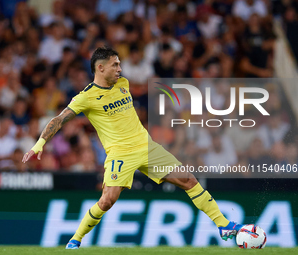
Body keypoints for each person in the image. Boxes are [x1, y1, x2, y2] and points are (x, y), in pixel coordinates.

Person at [22, 47, 242, 249]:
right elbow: (59, 119)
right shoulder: (86, 97)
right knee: (107, 200)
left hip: (147, 147)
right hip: (120, 154)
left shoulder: (123, 83)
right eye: (115, 65)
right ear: (100, 68)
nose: (119, 69)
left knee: (189, 180)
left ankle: (223, 225)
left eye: (119, 64)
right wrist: (40, 143)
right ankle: (75, 240)